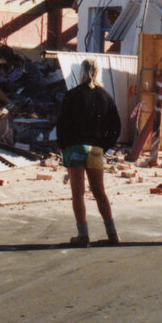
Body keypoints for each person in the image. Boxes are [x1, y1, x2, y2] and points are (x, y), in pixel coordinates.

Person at [56, 58, 121, 247]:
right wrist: (103, 146)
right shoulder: (106, 97)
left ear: (82, 72)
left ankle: (83, 235)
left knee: (78, 193)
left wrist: (63, 146)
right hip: (95, 150)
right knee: (99, 191)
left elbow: (61, 124)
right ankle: (112, 234)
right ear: (99, 72)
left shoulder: (72, 95)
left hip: (74, 148)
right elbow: (116, 127)